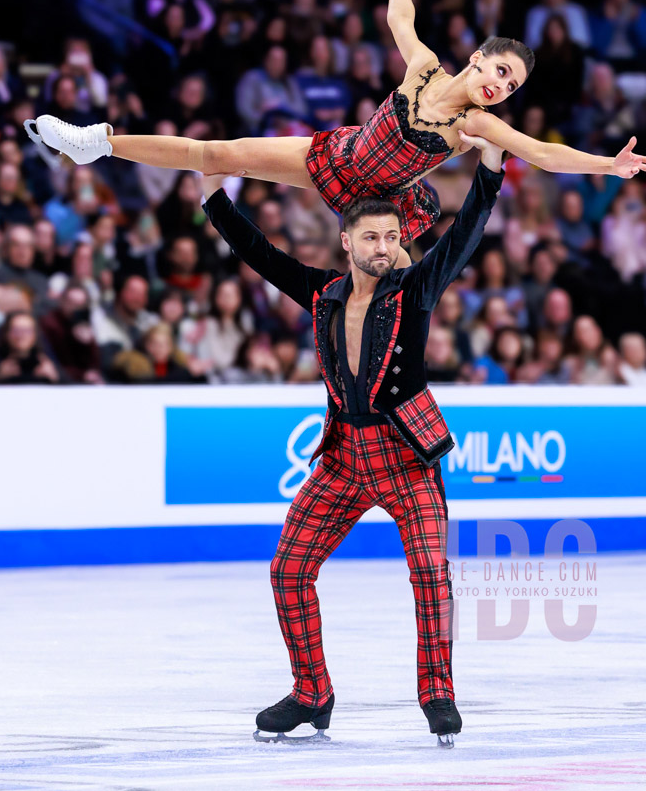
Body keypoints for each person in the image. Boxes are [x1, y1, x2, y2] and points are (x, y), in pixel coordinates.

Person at [29, 0, 646, 247]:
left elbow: (543, 154)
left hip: (380, 206)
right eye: (500, 69)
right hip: (336, 157)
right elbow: (400, 19)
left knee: (394, 288)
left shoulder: (475, 124)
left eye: (513, 84)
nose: (502, 85)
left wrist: (609, 165)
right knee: (215, 154)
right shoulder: (425, 67)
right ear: (477, 58)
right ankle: (97, 144)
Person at [201, 134, 506, 746]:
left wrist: (491, 166)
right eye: (370, 237)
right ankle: (312, 692)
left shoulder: (415, 288)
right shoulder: (322, 294)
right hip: (342, 458)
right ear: (347, 241)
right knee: (289, 569)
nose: (383, 247)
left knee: (430, 573)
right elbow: (258, 253)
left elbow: (466, 232)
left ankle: (437, 692)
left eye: (391, 236)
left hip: (406, 457)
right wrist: (213, 192)